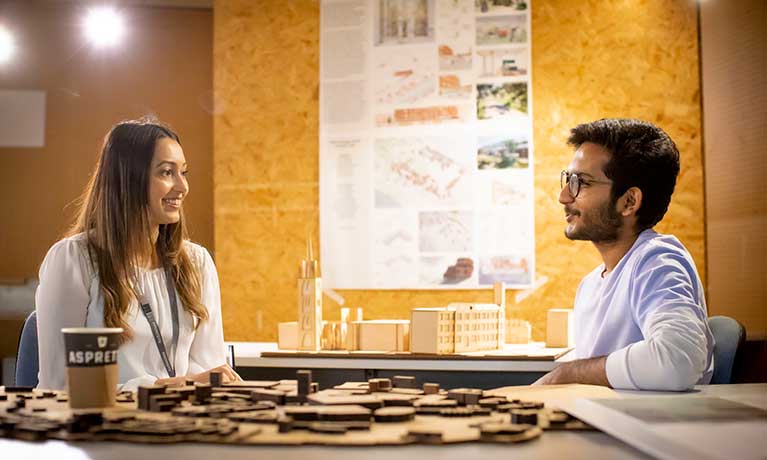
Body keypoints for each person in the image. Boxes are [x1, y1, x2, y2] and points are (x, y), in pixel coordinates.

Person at [36, 118, 240, 391]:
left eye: (184, 172)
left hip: (183, 425)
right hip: (104, 428)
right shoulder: (74, 260)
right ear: (128, 179)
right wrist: (173, 385)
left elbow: (208, 370)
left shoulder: (197, 263)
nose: (183, 187)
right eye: (167, 172)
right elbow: (60, 386)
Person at [535, 118, 714, 391]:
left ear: (629, 202)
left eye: (579, 182)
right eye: (568, 180)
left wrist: (567, 374)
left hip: (649, 432)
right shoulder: (591, 285)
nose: (563, 196)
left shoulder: (657, 260)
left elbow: (678, 361)